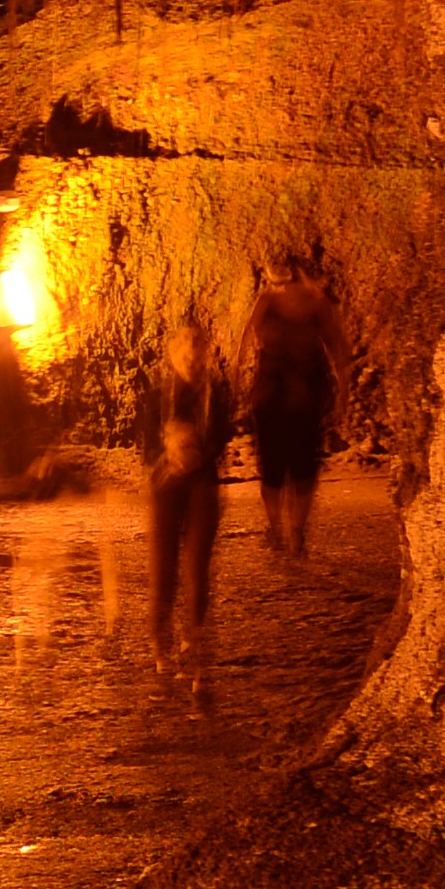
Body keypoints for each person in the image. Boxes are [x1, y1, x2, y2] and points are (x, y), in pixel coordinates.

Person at [144, 302, 238, 690]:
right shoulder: (155, 394)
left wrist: (197, 451)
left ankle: (195, 640)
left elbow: (222, 436)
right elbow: (146, 445)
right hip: (166, 483)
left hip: (201, 482)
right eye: (184, 348)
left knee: (197, 567)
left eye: (197, 349)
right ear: (172, 354)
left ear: (205, 353)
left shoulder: (218, 393)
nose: (191, 356)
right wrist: (168, 452)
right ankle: (159, 640)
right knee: (163, 568)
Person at [248, 241, 344, 563]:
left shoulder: (267, 302)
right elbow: (337, 346)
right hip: (304, 392)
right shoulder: (317, 304)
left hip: (273, 392)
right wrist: (343, 389)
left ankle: (277, 530)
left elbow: (247, 343)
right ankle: (296, 532)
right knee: (303, 467)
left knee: (273, 468)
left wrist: (240, 388)